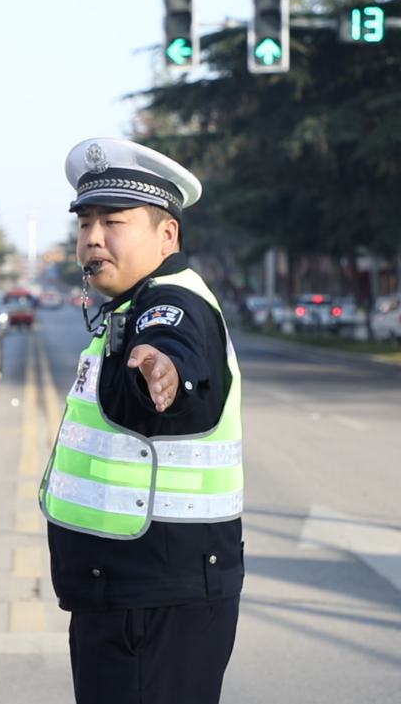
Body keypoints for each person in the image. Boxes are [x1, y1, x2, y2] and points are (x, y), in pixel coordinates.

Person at [39, 138, 244, 704]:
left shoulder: (171, 303)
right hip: (138, 587)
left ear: (167, 236)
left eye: (113, 221)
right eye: (86, 223)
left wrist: (166, 372)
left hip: (153, 600)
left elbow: (175, 353)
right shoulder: (130, 306)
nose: (93, 238)